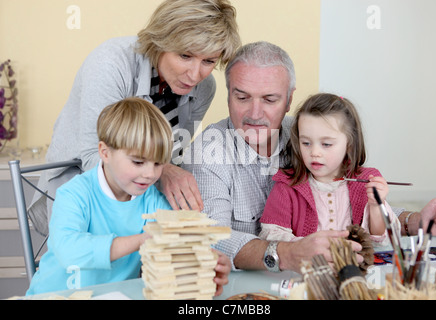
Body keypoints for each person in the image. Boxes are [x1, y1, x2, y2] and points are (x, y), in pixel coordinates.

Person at [29, 0, 241, 236]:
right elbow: (94, 158)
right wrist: (165, 171)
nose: (194, 74)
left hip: (142, 196)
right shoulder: (110, 63)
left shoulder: (204, 88)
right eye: (185, 55)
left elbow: (172, 155)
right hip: (82, 199)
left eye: (209, 61)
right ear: (162, 41)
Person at [182, 42, 365, 273]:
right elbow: (212, 238)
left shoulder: (305, 136)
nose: (255, 114)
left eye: (269, 100)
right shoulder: (206, 153)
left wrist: (410, 220)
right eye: (242, 98)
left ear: (289, 100)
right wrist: (284, 254)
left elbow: (352, 192)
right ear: (229, 96)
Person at [26, 98, 230, 296]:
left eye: (158, 164)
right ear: (105, 153)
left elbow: (178, 244)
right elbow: (69, 250)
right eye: (138, 162)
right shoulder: (74, 193)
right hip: (54, 294)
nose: (150, 174)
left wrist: (208, 263)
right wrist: (144, 239)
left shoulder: (153, 200)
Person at [259, 93, 399, 244]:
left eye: (326, 144)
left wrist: (376, 205)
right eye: (306, 143)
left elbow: (380, 239)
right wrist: (306, 246)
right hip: (307, 266)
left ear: (349, 144)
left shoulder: (365, 183)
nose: (314, 153)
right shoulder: (287, 186)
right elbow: (271, 237)